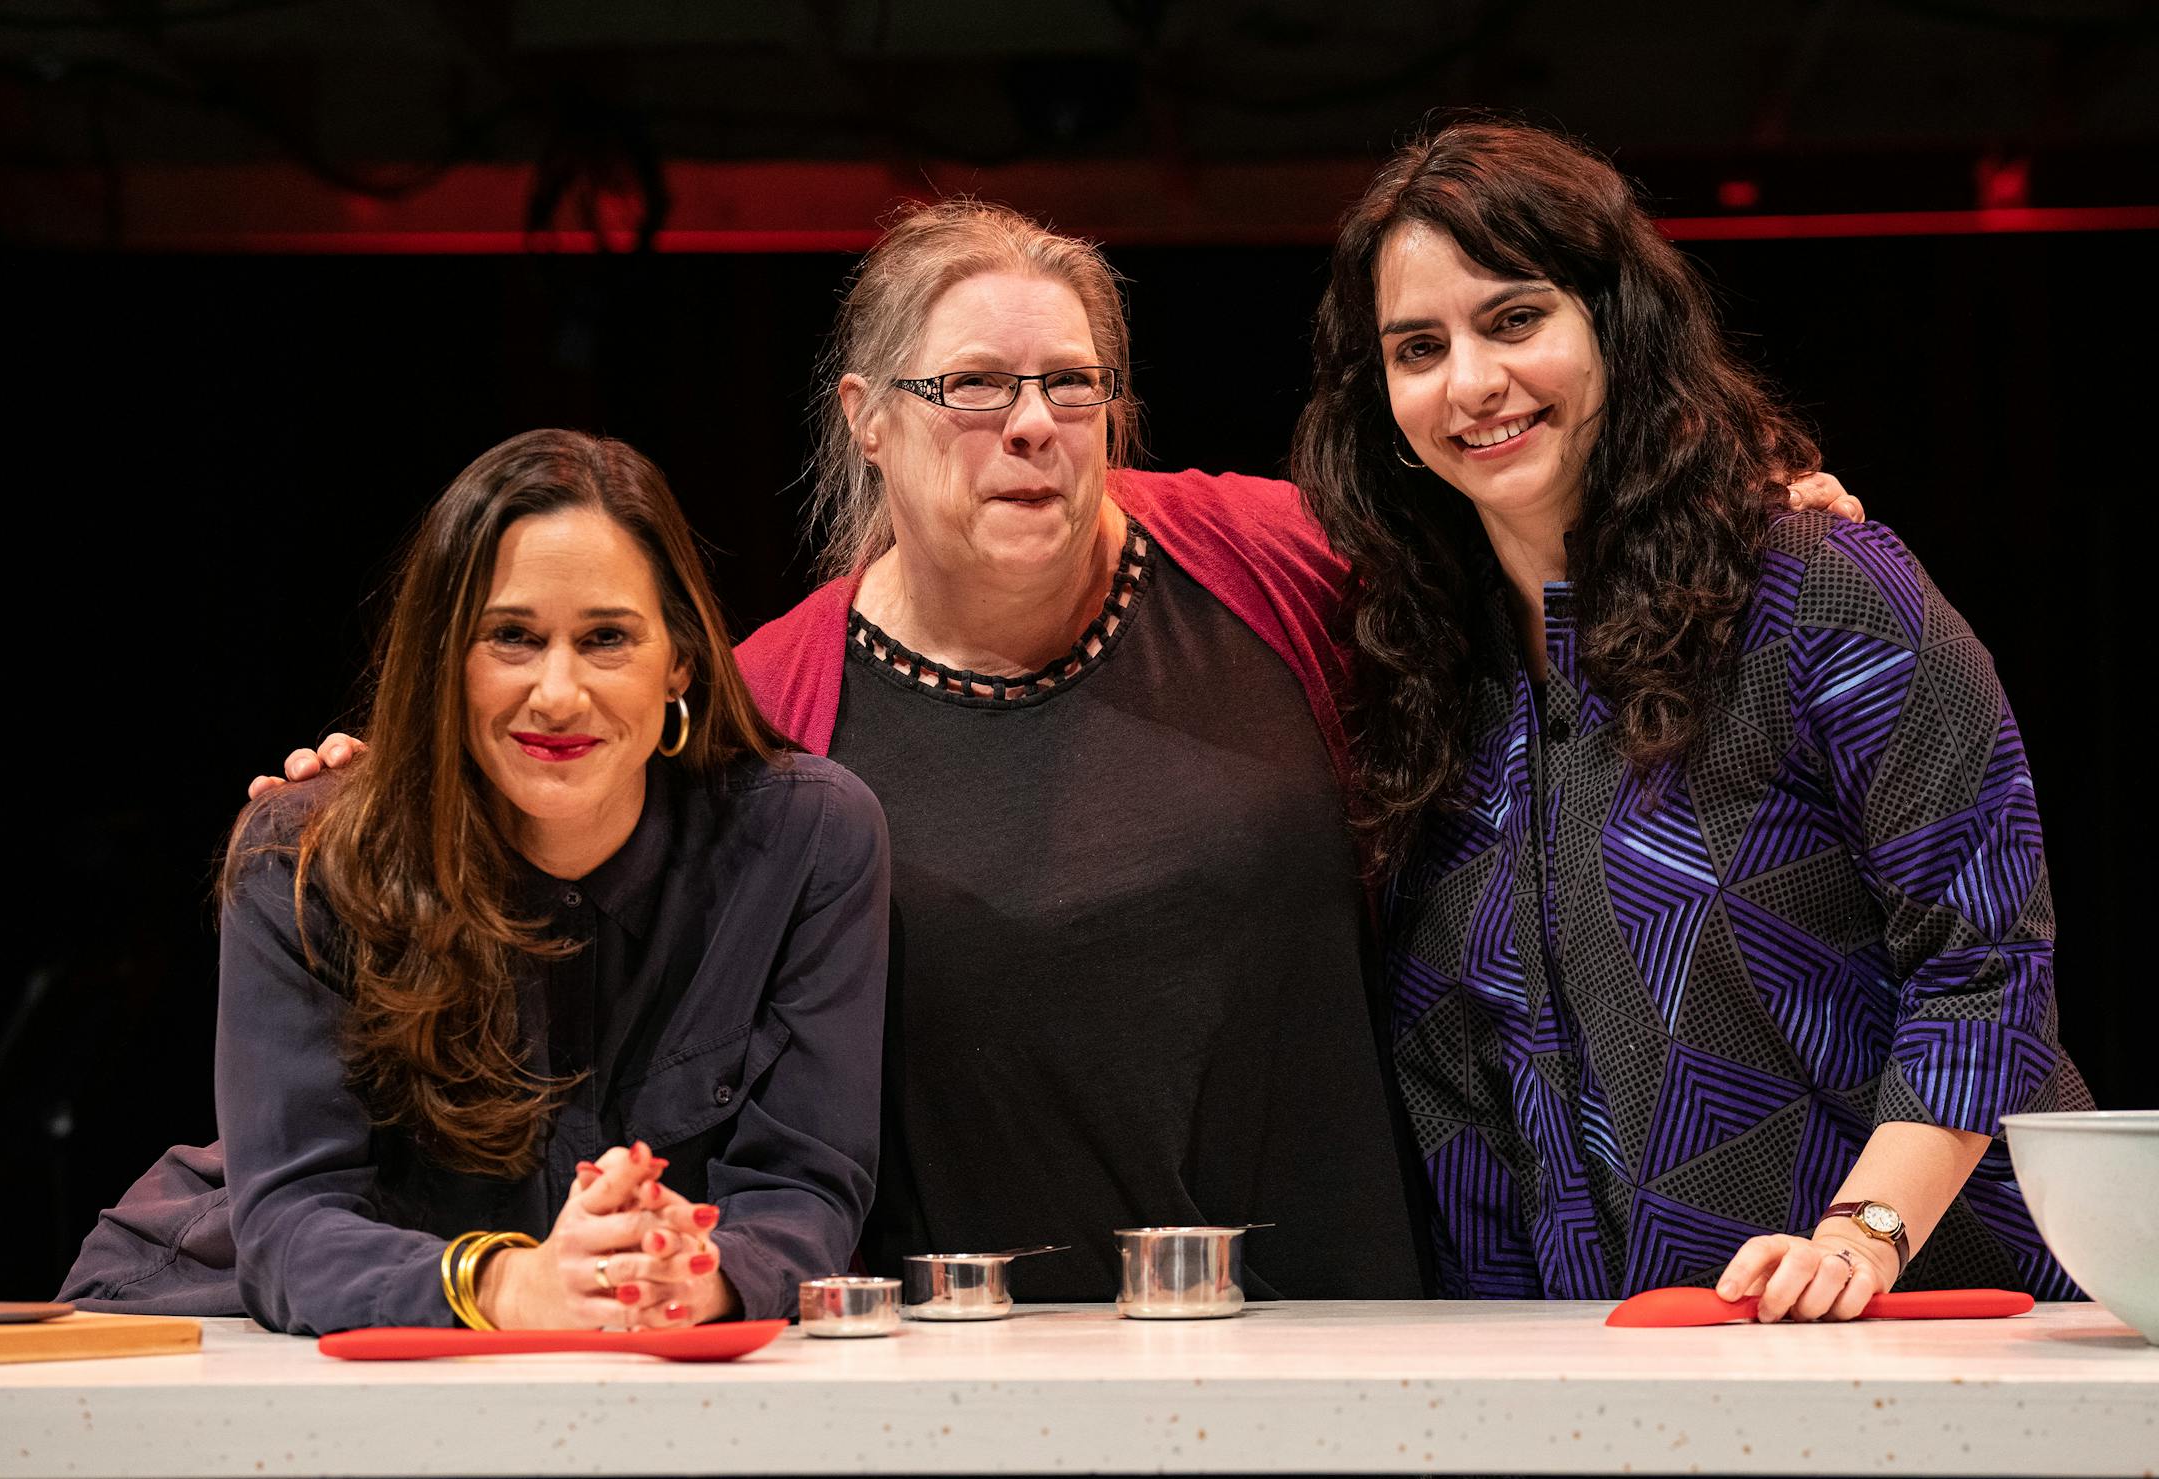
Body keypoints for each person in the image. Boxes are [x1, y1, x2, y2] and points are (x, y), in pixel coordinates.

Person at [258, 205, 1860, 1304]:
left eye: (1069, 385)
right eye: (972, 389)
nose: (1029, 424)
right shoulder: (776, 706)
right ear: (868, 417)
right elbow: (573, 807)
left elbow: (1510, 514)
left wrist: (1734, 515)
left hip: (1350, 1319)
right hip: (983, 1362)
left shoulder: (1262, 557)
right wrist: (397, 772)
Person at [1292, 119, 2087, 1321]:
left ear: (1616, 323)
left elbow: (1985, 959)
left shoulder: (1818, 588)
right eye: (1417, 346)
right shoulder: (1414, 674)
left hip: (1918, 1337)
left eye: (1515, 319)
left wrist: (1860, 1238)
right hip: (1593, 1369)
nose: (1470, 382)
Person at [63, 430, 889, 1333]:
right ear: (444, 658)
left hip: (614, 1342)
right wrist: (511, 1285)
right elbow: (291, 1225)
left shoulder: (809, 838)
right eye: (511, 637)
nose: (559, 692)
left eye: (607, 637)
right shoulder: (304, 855)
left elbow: (803, 1186)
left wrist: (698, 1272)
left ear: (680, 661)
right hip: (245, 1327)